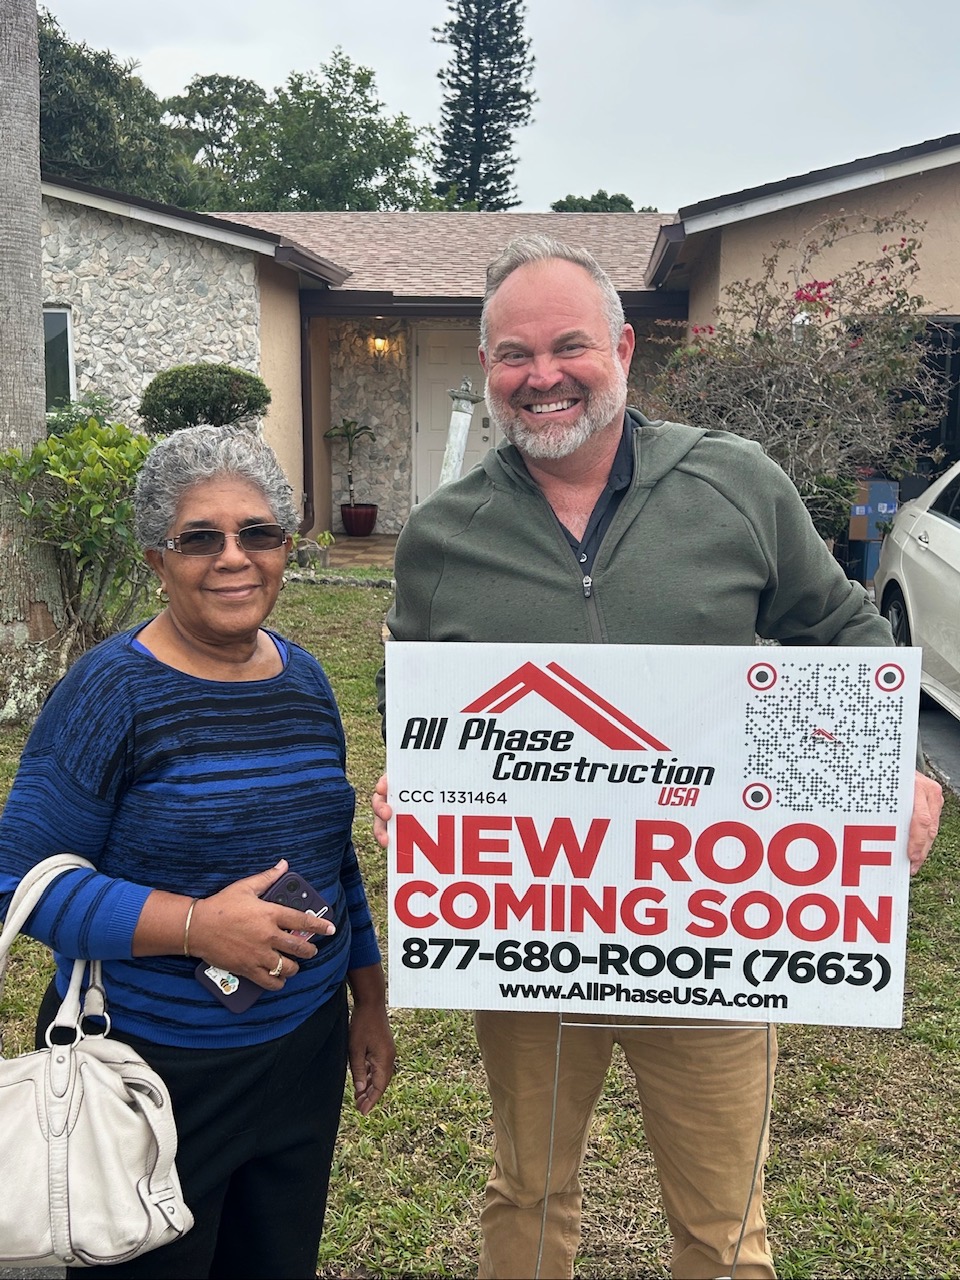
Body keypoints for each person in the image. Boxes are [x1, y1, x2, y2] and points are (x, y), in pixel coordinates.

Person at [373, 234, 943, 1279]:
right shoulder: (443, 535)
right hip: (534, 928)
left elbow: (845, 631)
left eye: (568, 345)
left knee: (725, 1224)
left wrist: (898, 766)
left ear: (624, 348)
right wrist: (406, 777)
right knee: (528, 1193)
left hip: (711, 926)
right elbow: (410, 687)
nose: (542, 376)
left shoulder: (733, 482)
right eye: (512, 354)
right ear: (487, 369)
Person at [0, 425, 395, 1279]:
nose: (234, 559)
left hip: (300, 1057)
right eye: (199, 539)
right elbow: (17, 883)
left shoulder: (307, 679)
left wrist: (367, 1001)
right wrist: (194, 927)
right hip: (148, 1072)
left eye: (258, 533)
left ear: (287, 545)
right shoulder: (110, 692)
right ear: (156, 557)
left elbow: (334, 861)